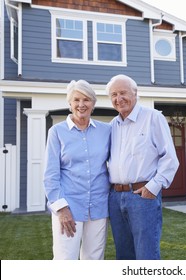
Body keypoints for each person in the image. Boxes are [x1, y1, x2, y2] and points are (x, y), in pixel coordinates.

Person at [106, 74, 179, 260]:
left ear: (135, 93)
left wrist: (153, 187)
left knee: (146, 254)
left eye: (123, 92)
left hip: (142, 196)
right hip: (115, 198)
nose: (118, 98)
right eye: (114, 94)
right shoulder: (112, 126)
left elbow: (170, 158)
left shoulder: (153, 118)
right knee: (123, 255)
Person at [43, 80, 111, 260]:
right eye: (77, 100)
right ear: (70, 103)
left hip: (98, 205)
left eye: (87, 99)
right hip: (69, 207)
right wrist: (62, 209)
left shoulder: (106, 131)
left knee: (94, 259)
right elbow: (50, 175)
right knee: (66, 259)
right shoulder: (57, 132)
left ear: (93, 104)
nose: (81, 104)